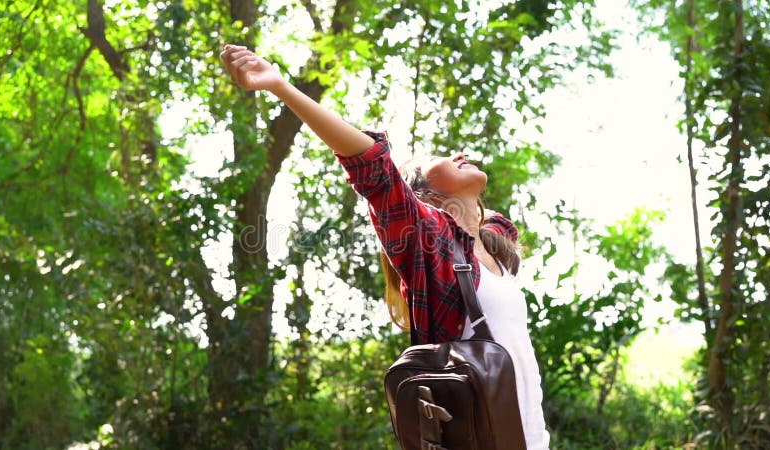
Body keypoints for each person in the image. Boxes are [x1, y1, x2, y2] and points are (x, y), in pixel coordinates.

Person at [220, 44, 550, 449]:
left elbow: (485, 223)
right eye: (440, 157)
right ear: (420, 195)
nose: (460, 154)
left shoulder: (497, 244)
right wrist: (280, 86)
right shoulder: (430, 246)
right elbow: (373, 167)